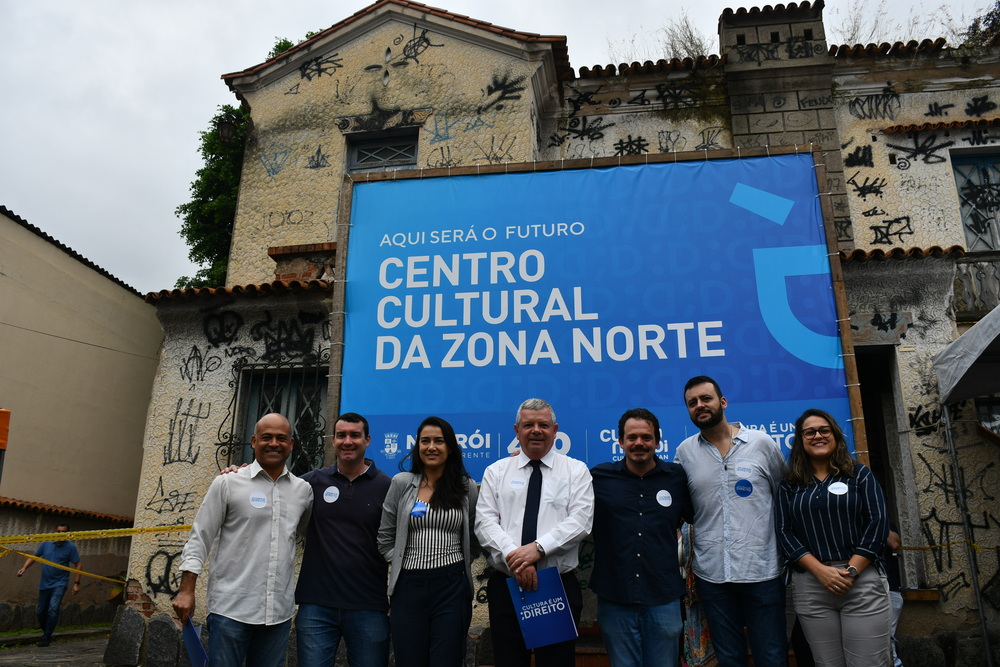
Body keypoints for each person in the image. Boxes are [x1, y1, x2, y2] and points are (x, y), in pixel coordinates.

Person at [172, 413, 313, 667]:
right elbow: (200, 536)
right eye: (266, 437)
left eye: (281, 438)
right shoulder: (227, 482)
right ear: (253, 441)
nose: (273, 443)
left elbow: (308, 534)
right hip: (231, 610)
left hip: (278, 614)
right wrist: (186, 589)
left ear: (291, 444)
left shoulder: (303, 491)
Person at [673, 376, 788, 667]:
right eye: (692, 403)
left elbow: (786, 497)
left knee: (772, 657)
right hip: (712, 576)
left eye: (706, 398)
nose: (700, 405)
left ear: (722, 402)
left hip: (762, 570)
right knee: (729, 659)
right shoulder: (684, 453)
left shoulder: (761, 444)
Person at [475, 398, 594, 667]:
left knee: (556, 663)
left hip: (557, 587)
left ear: (555, 430)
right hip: (507, 587)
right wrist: (516, 558)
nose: (536, 430)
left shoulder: (576, 471)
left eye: (544, 424)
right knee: (508, 661)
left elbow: (581, 521)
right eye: (528, 425)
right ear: (517, 431)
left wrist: (537, 549)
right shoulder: (496, 472)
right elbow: (485, 523)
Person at [776, 408, 892, 667]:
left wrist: (850, 570)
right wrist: (821, 572)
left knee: (868, 663)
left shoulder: (859, 474)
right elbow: (784, 532)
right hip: (812, 586)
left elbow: (878, 523)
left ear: (835, 435)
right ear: (800, 440)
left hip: (860, 582)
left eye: (824, 430)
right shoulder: (790, 484)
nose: (817, 435)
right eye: (809, 432)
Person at [590, 408, 693, 667]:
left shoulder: (677, 478)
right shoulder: (597, 478)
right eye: (632, 437)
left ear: (658, 441)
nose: (639, 443)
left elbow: (701, 514)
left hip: (664, 596)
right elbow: (558, 490)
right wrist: (524, 460)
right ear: (620, 441)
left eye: (646, 437)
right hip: (615, 596)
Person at [378, 416, 479, 667]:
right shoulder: (401, 484)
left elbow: (475, 538)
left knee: (448, 659)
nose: (431, 447)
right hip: (408, 587)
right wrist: (401, 560)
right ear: (417, 446)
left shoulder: (466, 487)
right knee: (409, 659)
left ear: (450, 447)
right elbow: (385, 538)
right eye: (425, 441)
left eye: (439, 441)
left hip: (452, 586)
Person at [295, 412, 393, 667]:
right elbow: (272, 487)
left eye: (355, 435)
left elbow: (400, 543)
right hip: (316, 606)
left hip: (369, 607)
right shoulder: (312, 482)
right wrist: (239, 472)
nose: (347, 441)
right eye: (341, 435)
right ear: (333, 440)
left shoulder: (388, 487)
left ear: (367, 440)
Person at [16, 523, 81, 647]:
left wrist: (76, 583)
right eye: (58, 531)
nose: (60, 534)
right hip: (45, 583)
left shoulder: (71, 547)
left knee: (53, 609)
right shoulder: (46, 543)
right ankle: (46, 631)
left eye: (63, 532)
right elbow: (34, 557)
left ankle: (46, 636)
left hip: (60, 583)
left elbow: (78, 565)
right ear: (55, 531)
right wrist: (24, 568)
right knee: (40, 612)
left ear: (68, 534)